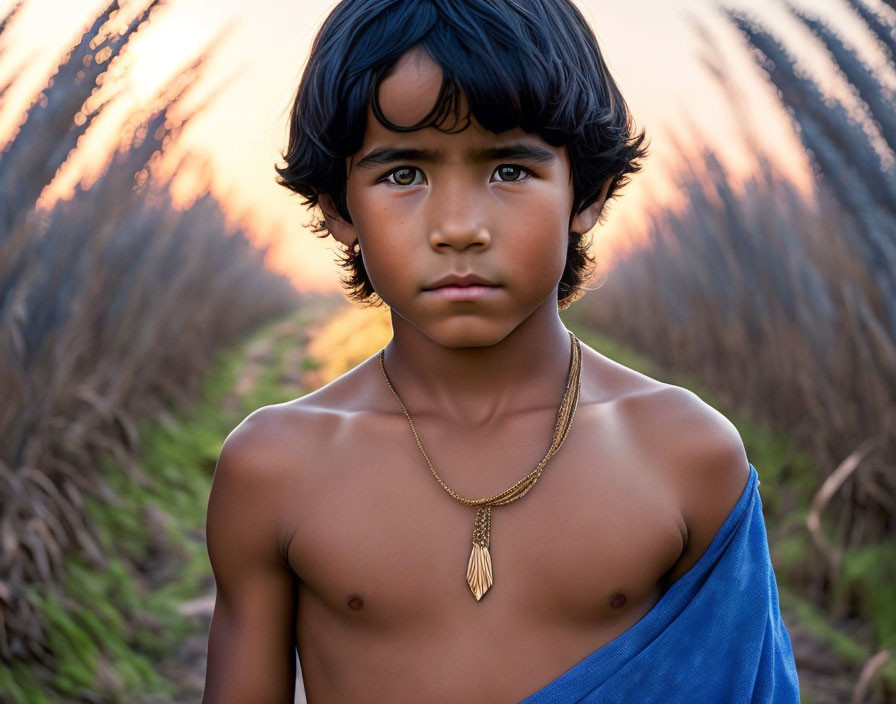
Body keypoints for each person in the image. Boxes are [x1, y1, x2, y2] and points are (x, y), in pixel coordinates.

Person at [203, 0, 800, 702]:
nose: (459, 227)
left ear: (589, 194)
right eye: (403, 174)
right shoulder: (275, 468)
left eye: (510, 169)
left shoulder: (686, 457)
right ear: (338, 209)